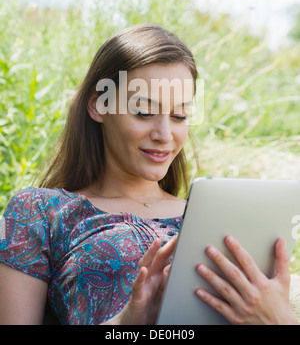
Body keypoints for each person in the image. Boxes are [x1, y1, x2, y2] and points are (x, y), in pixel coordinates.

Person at [0, 24, 298, 325]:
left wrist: (278, 319)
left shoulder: (219, 218)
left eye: (180, 116)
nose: (164, 135)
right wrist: (125, 323)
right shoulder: (40, 212)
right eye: (143, 112)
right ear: (97, 105)